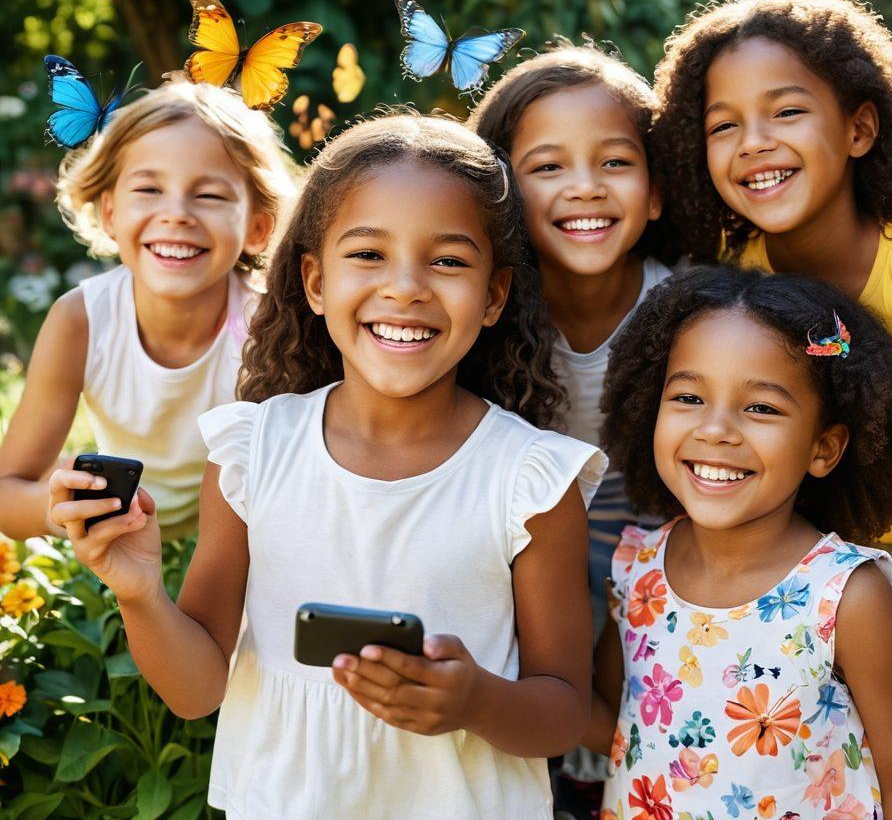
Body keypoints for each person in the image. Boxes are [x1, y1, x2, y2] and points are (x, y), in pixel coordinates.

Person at [49, 112, 606, 819]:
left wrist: (477, 700)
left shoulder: (531, 480)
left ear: (494, 295)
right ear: (314, 281)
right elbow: (196, 693)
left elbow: (561, 712)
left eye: (448, 260)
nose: (406, 287)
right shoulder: (252, 452)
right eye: (368, 254)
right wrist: (139, 593)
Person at [650, 0, 892, 818]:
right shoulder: (745, 286)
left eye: (785, 113)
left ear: (859, 128)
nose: (754, 144)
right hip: (880, 536)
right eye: (723, 125)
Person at [586, 265, 892, 820]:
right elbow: (619, 724)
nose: (716, 429)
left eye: (761, 408)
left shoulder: (846, 597)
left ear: (823, 448)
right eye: (688, 396)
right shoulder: (636, 569)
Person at [470, 42, 685, 812]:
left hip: (665, 524)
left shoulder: (689, 308)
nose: (585, 188)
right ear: (499, 192)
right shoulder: (483, 314)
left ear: (657, 192)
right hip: (532, 532)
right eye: (549, 166)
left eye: (615, 164)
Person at [1, 80, 296, 541]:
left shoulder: (269, 327)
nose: (176, 213)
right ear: (111, 213)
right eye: (149, 189)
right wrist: (55, 508)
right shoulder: (82, 320)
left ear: (258, 228)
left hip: (241, 540)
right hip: (126, 535)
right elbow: (7, 491)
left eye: (211, 196)